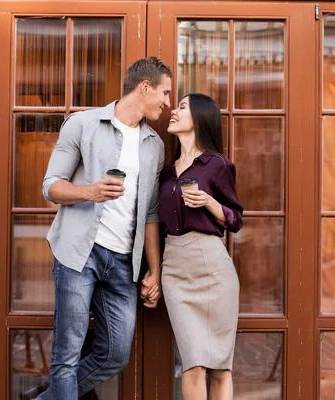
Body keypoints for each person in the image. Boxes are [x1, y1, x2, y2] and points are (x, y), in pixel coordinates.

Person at [36, 56, 172, 400]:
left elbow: (151, 213)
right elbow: (51, 185)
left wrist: (154, 271)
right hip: (79, 254)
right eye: (165, 93)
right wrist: (91, 192)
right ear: (145, 87)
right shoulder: (82, 124)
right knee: (66, 357)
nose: (168, 103)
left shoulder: (153, 145)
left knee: (115, 354)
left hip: (124, 261)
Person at [159, 93, 243, 400]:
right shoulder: (167, 173)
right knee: (192, 364)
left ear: (200, 117)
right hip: (175, 272)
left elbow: (235, 220)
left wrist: (209, 202)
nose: (173, 110)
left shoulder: (218, 166)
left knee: (220, 367)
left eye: (182, 107)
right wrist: (152, 272)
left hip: (213, 270)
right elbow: (155, 225)